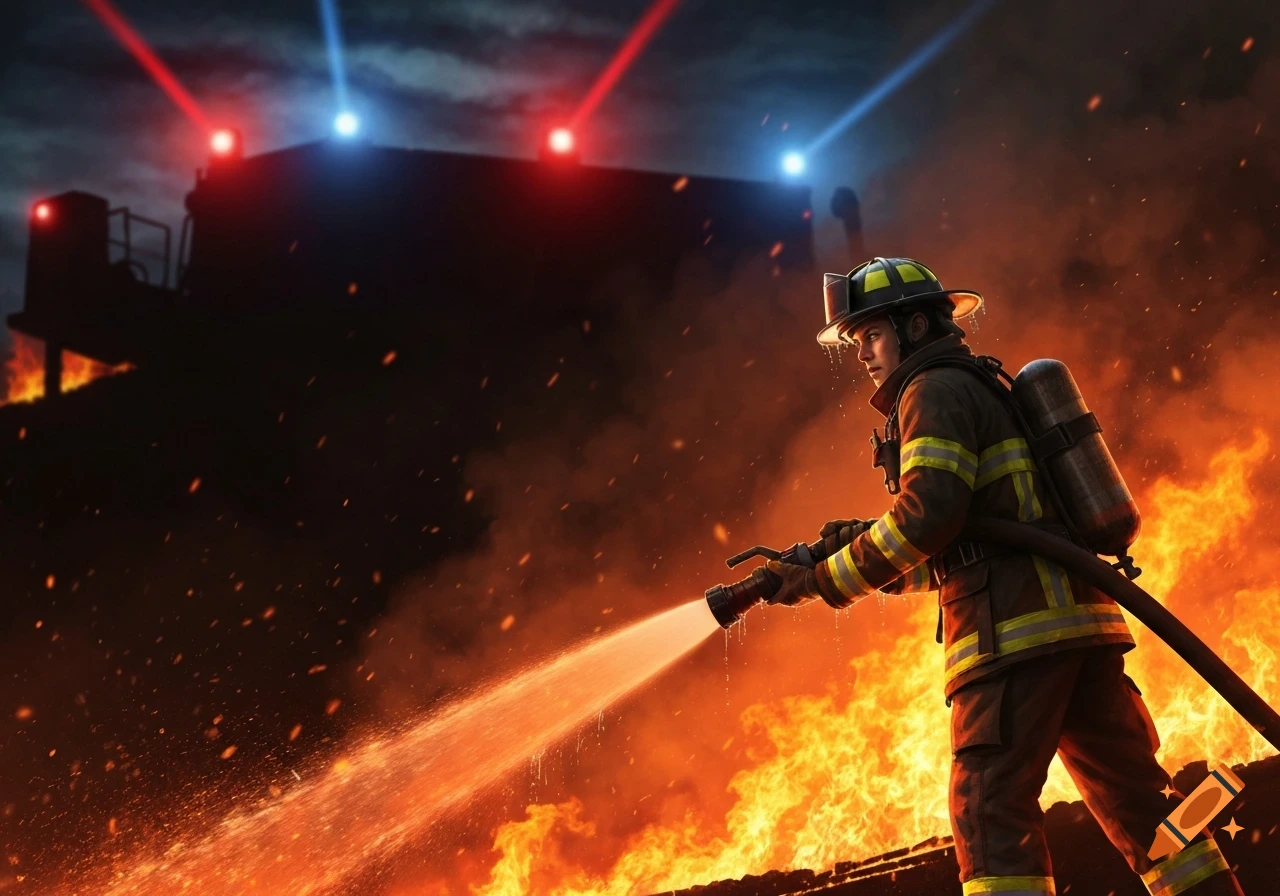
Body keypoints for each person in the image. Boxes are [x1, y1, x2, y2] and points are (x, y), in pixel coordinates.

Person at [765, 257, 1245, 896]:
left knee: (990, 814)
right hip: (1082, 628)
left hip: (1012, 639)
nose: (864, 355)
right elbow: (967, 543)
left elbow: (927, 519)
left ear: (912, 325)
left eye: (871, 336)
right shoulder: (987, 385)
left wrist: (828, 581)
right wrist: (851, 553)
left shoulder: (930, 389)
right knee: (1144, 810)